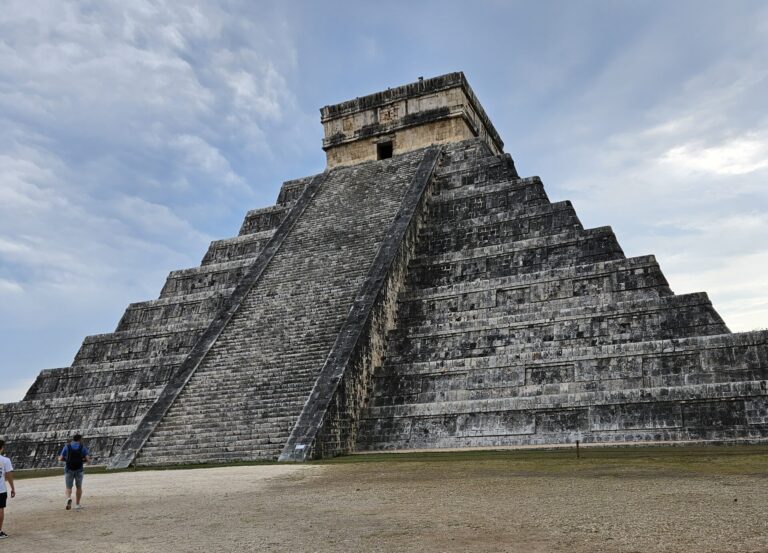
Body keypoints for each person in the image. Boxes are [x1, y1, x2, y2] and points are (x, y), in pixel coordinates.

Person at [58, 433, 90, 511]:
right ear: (80, 439)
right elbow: (88, 460)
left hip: (69, 469)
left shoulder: (67, 446)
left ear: (73, 439)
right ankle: (77, 504)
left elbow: (60, 458)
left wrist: (67, 460)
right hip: (79, 469)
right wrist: (82, 460)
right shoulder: (82, 447)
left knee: (68, 487)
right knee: (78, 487)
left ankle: (69, 498)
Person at [0, 439, 15, 538]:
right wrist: (12, 488)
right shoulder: (5, 460)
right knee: (0, 509)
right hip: (1, 489)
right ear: (2, 448)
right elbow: (9, 475)